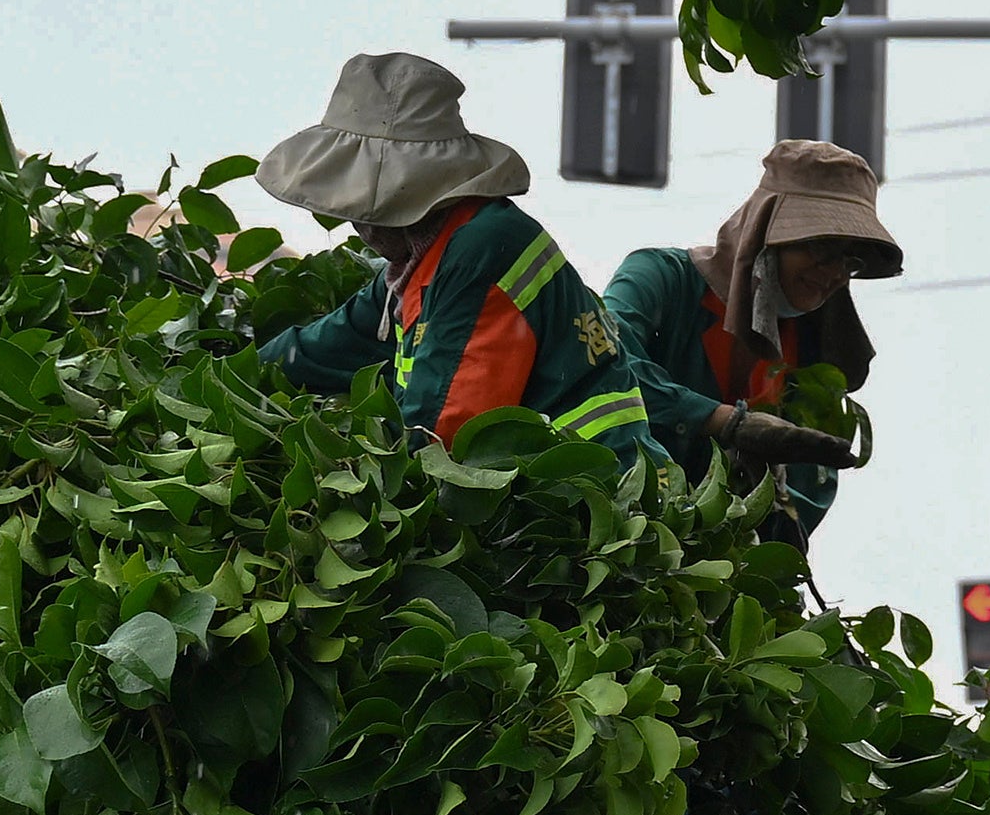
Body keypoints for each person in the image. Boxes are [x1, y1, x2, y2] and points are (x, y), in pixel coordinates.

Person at [252, 52, 719, 469]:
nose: (358, 225)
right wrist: (230, 368)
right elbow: (329, 343)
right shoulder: (425, 260)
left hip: (585, 490)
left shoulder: (481, 250)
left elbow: (441, 434)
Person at [607, 138, 902, 529]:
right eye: (820, 247)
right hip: (621, 532)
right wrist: (724, 422)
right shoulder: (659, 280)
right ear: (764, 231)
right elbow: (605, 364)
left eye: (849, 260)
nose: (833, 273)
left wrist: (772, 518)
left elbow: (808, 490)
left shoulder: (815, 356)